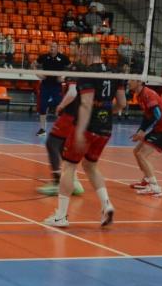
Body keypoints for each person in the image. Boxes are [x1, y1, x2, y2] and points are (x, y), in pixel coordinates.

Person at [43, 37, 127, 228]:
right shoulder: (115, 72)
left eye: (81, 49)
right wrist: (106, 112)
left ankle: (61, 216)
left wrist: (80, 131)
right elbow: (122, 103)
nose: (79, 53)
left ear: (89, 51)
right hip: (106, 128)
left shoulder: (87, 74)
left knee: (69, 167)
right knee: (90, 166)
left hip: (88, 127)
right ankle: (106, 205)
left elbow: (86, 104)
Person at [37, 76, 84, 197]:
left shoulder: (73, 71)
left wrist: (61, 105)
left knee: (52, 143)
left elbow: (72, 93)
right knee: (63, 148)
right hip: (78, 115)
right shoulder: (85, 73)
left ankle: (57, 182)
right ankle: (74, 182)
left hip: (69, 116)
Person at [127, 80, 162, 198]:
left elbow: (157, 114)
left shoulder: (148, 94)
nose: (128, 81)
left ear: (139, 82)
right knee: (136, 151)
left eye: (131, 79)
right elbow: (147, 115)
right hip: (158, 129)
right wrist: (140, 131)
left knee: (141, 155)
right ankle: (146, 181)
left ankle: (155, 187)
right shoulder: (139, 95)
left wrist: (143, 131)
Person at [35, 41, 70, 137]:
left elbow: (71, 69)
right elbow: (33, 65)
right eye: (50, 46)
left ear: (58, 48)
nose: (52, 48)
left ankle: (60, 128)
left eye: (54, 46)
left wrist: (64, 77)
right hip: (45, 85)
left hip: (56, 86)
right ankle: (42, 129)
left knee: (59, 105)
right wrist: (38, 74)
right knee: (42, 106)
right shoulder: (44, 57)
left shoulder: (63, 58)